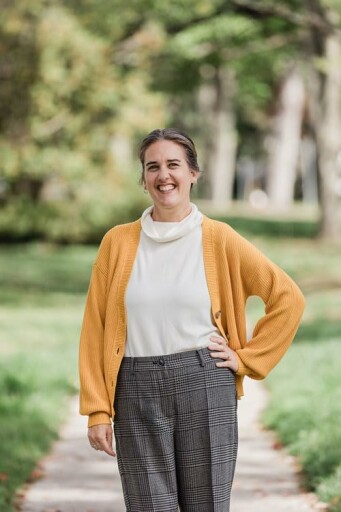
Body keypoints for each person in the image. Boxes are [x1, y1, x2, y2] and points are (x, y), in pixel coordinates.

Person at [78, 127, 305, 512]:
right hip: (135, 388)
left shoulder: (219, 238)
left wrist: (246, 358)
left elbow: (288, 298)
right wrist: (97, 408)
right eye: (153, 167)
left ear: (193, 173)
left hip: (205, 382)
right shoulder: (117, 243)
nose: (163, 176)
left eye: (173, 165)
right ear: (144, 178)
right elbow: (95, 329)